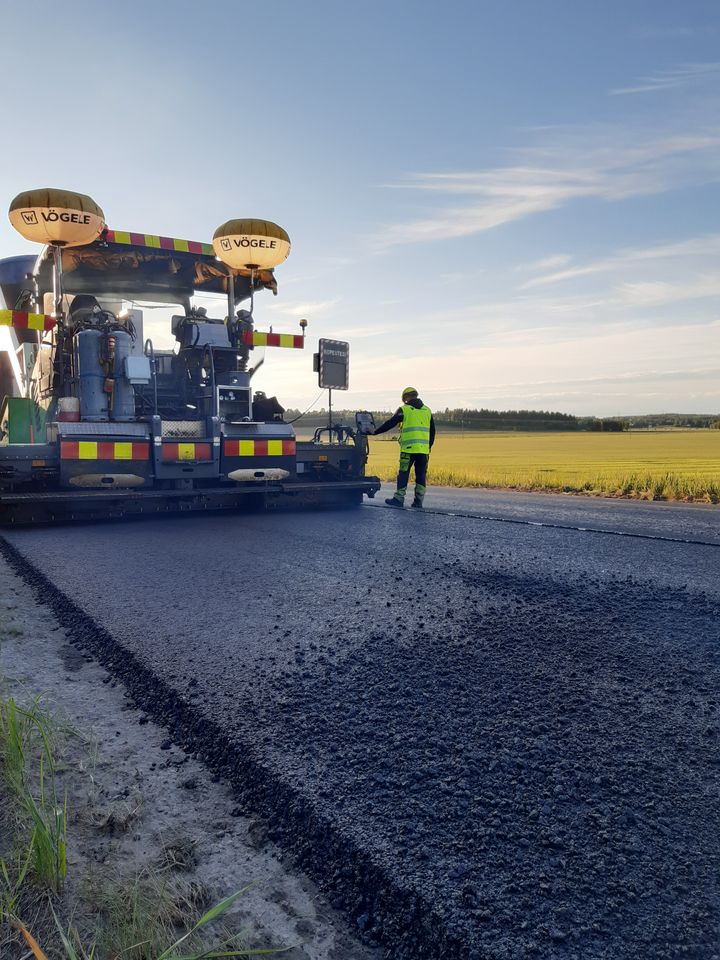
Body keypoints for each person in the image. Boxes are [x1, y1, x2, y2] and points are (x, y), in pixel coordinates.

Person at [370, 387, 435, 509]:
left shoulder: (404, 410)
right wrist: (428, 447)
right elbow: (432, 432)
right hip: (423, 451)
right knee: (421, 475)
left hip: (408, 450)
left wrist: (374, 432)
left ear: (406, 398)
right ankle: (418, 501)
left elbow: (390, 423)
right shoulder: (427, 411)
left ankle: (399, 499)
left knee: (403, 474)